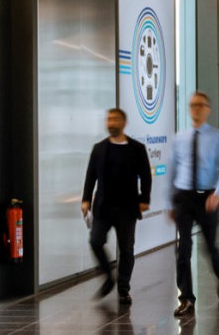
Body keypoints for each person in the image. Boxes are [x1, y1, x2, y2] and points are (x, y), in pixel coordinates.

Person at [167, 93, 219, 317]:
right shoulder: (180, 138)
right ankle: (186, 298)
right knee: (182, 248)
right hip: (184, 197)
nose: (194, 109)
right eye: (192, 105)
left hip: (206, 197)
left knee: (210, 247)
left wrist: (218, 193)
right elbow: (172, 171)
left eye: (199, 105)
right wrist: (170, 202)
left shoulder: (217, 137)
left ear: (207, 109)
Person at [80, 108, 149, 305]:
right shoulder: (99, 148)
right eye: (109, 119)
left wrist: (145, 199)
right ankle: (108, 278)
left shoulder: (136, 148)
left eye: (115, 119)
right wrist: (86, 199)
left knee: (127, 250)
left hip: (127, 208)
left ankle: (123, 288)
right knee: (95, 241)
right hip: (103, 207)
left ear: (124, 123)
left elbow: (145, 175)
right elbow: (90, 175)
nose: (111, 123)